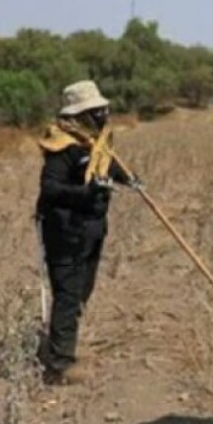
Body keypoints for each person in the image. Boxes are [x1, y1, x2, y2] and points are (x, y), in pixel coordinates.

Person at [35, 80, 134, 386]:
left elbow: (110, 167)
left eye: (103, 109)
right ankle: (60, 366)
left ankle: (56, 344)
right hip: (65, 230)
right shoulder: (62, 147)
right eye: (96, 110)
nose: (104, 114)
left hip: (91, 228)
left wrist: (129, 179)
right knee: (68, 293)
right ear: (80, 114)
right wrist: (85, 193)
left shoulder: (96, 143)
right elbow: (50, 189)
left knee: (81, 291)